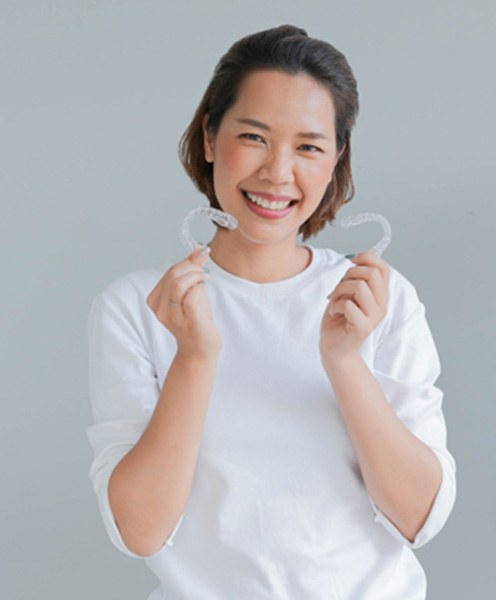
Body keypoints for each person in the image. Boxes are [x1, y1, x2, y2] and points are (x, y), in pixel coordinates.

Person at [86, 24, 456, 599]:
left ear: (335, 161)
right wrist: (195, 356)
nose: (278, 172)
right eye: (254, 137)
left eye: (308, 146)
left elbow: (419, 518)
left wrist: (345, 361)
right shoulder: (139, 308)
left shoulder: (378, 299)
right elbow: (140, 532)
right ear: (210, 138)